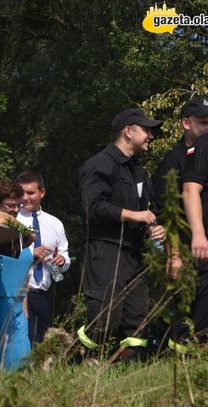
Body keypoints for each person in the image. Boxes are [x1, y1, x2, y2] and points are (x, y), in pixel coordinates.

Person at [77, 108, 165, 359]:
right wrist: (134, 215)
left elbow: (148, 211)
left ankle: (133, 370)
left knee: (137, 319)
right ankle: (70, 358)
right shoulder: (99, 164)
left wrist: (153, 227)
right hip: (106, 250)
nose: (152, 135)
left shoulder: (138, 170)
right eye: (146, 130)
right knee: (105, 320)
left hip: (134, 253)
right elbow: (91, 207)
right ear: (128, 131)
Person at [153, 96, 208, 347]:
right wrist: (173, 255)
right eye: (203, 122)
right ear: (186, 123)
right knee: (189, 310)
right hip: (187, 248)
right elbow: (167, 216)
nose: (207, 128)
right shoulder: (172, 164)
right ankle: (180, 358)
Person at [0, 179, 33, 369]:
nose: (15, 210)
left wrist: (25, 305)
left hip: (19, 306)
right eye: (11, 205)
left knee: (21, 362)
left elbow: (26, 272)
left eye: (19, 204)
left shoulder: (22, 231)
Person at [16, 170, 70, 345]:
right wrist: (31, 254)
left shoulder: (55, 223)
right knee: (24, 342)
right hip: (19, 293)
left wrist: (62, 261)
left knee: (43, 344)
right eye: (21, 193)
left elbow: (64, 255)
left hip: (44, 294)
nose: (25, 198)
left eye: (30, 193)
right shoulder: (12, 219)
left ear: (42, 192)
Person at [181, 96, 208, 343]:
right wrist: (199, 234)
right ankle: (190, 356)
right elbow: (190, 190)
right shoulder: (202, 146)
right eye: (203, 122)